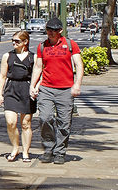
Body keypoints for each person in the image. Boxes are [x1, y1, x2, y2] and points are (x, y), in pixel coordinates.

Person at [30, 15, 82, 164]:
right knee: (45, 118)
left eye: (53, 30)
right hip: (46, 88)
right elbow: (38, 67)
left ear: (60, 30)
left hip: (65, 89)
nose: (50, 33)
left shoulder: (71, 45)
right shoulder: (42, 46)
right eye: (48, 30)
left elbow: (79, 65)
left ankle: (60, 152)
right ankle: (48, 148)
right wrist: (32, 86)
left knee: (64, 123)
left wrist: (77, 85)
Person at [0, 29, 37, 162]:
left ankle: (25, 151)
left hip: (26, 89)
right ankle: (15, 148)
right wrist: (0, 94)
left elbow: (39, 74)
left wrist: (35, 88)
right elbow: (2, 76)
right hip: (11, 89)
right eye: (12, 41)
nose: (14, 43)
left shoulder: (33, 57)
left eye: (17, 41)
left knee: (26, 123)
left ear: (25, 42)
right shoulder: (7, 56)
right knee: (11, 122)